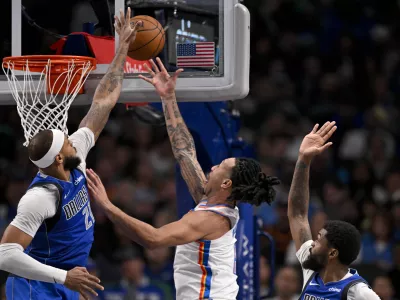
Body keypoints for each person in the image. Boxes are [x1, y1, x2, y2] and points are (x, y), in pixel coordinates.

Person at [86, 58, 281, 300]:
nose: (212, 167)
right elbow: (185, 152)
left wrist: (107, 206)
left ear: (226, 184)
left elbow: (154, 239)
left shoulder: (210, 219)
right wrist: (168, 98)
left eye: (220, 166)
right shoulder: (211, 200)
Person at [0, 8, 141, 300]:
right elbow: (5, 255)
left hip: (67, 278)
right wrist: (63, 276)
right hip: (35, 287)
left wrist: (122, 50)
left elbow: (102, 103)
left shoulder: (74, 157)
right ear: (59, 159)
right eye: (66, 141)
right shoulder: (40, 197)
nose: (71, 138)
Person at [288, 121, 380, 299]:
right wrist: (304, 160)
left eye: (319, 239)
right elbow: (297, 214)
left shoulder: (359, 292)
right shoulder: (311, 271)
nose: (313, 242)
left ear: (332, 252)